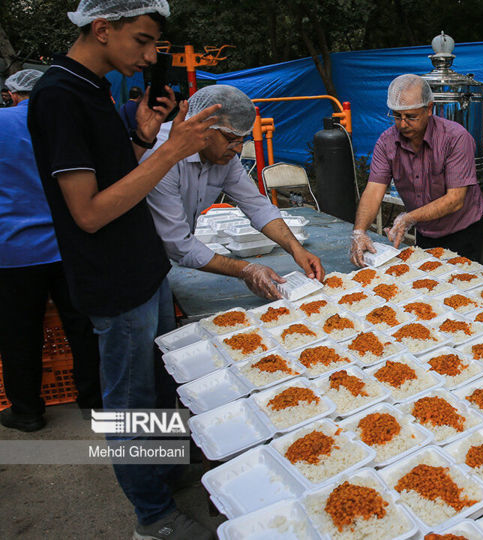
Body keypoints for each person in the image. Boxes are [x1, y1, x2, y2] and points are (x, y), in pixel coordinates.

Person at [27, 1, 220, 538]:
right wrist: (170, 151)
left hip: (144, 269)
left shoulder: (95, 89)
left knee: (158, 386)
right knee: (130, 403)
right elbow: (88, 213)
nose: (150, 55)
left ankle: (166, 471)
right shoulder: (59, 96)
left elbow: (115, 181)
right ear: (101, 28)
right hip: (113, 280)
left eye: (154, 42)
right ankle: (153, 517)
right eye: (142, 39)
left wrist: (142, 138)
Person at [145, 84, 325, 298]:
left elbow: (257, 206)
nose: (238, 149)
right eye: (231, 139)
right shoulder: (162, 153)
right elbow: (179, 244)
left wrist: (296, 249)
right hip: (133, 261)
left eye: (242, 139)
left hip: (160, 263)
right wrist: (245, 269)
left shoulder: (224, 156)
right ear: (202, 125)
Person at [0, 69, 102, 433]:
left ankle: (27, 411)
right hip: (68, 244)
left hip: (12, 251)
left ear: (13, 95)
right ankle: (95, 401)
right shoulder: (64, 122)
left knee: (18, 334)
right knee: (83, 328)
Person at [350, 74, 483, 265]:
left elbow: (455, 199)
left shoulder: (455, 138)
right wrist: (359, 231)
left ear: (429, 108)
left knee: (462, 280)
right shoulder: (387, 142)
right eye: (397, 116)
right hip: (424, 229)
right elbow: (373, 190)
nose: (403, 124)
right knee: (427, 278)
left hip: (462, 230)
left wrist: (408, 218)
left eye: (411, 117)